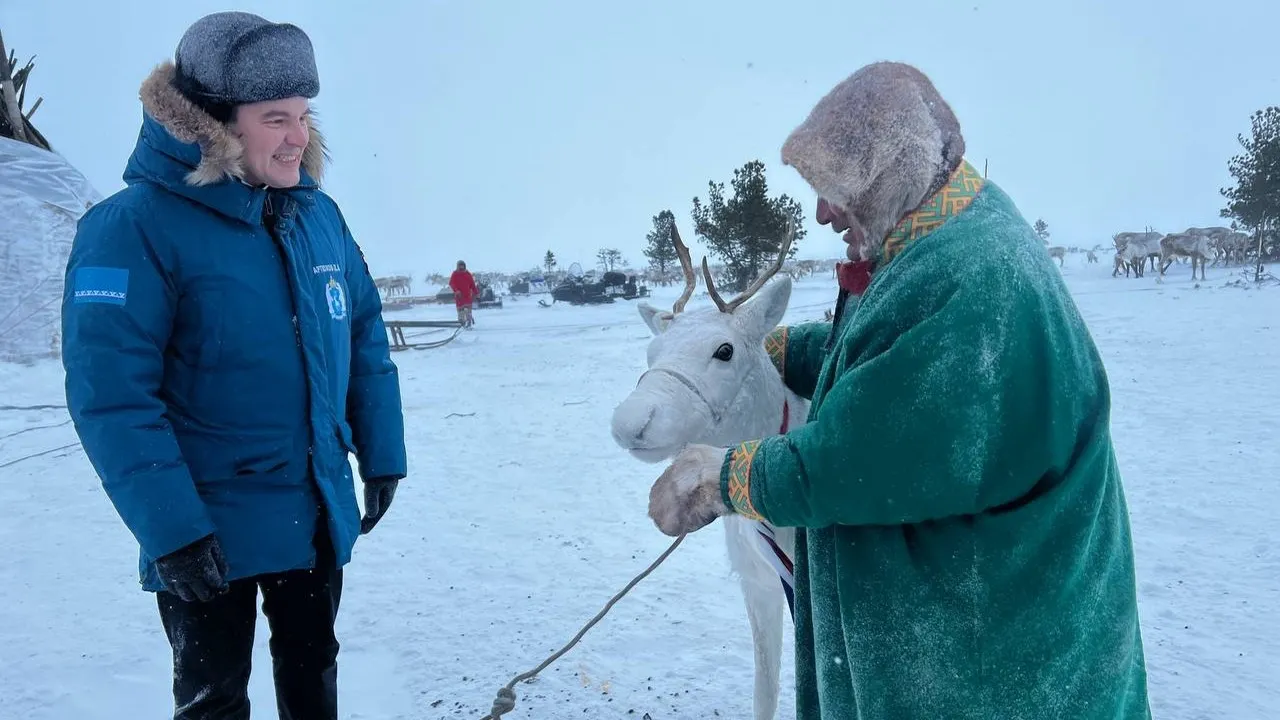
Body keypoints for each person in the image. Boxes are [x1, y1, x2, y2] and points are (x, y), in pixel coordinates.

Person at [645, 62, 1151, 719]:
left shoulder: (972, 280)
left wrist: (725, 477)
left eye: (834, 189)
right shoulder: (951, 233)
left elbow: (868, 460)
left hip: (988, 662)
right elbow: (912, 371)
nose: (823, 212)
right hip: (986, 617)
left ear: (891, 176)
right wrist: (783, 348)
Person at [60, 11, 407, 720]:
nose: (298, 137)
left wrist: (382, 454)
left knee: (314, 674)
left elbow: (364, 335)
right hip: (205, 529)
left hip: (310, 509)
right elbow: (112, 398)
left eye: (305, 116)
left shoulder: (318, 215)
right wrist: (172, 531)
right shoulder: (132, 228)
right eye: (275, 117)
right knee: (215, 700)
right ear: (212, 123)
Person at [450, 259, 479, 327]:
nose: (461, 267)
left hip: (467, 296)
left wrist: (477, 294)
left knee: (468, 311)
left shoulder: (468, 274)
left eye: (463, 266)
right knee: (461, 312)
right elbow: (451, 283)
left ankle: (469, 322)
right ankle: (462, 323)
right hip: (459, 297)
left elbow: (472, 285)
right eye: (460, 266)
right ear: (457, 266)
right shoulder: (455, 274)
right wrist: (456, 290)